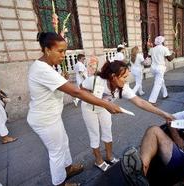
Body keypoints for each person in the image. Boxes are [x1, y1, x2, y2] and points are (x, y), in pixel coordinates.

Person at [27, 32, 122, 186]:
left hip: (52, 116)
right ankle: (60, 183)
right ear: (46, 50)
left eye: (64, 51)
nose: (63, 55)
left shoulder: (47, 66)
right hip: (44, 119)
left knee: (64, 142)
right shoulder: (42, 69)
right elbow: (77, 91)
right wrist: (106, 104)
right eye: (60, 51)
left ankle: (68, 168)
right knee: (56, 152)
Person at [80, 60, 174, 172]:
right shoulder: (96, 81)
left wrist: (164, 114)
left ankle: (109, 156)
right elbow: (81, 88)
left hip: (105, 108)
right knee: (94, 134)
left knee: (107, 131)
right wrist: (93, 97)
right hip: (89, 108)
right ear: (113, 76)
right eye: (124, 77)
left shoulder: (123, 87)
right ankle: (98, 160)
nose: (126, 80)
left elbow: (141, 102)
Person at [148, 36, 175, 106]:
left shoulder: (152, 49)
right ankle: (152, 101)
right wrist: (173, 54)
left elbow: (149, 56)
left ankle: (165, 94)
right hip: (160, 68)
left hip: (153, 68)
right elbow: (170, 59)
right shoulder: (164, 49)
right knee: (157, 84)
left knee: (161, 81)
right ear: (162, 42)